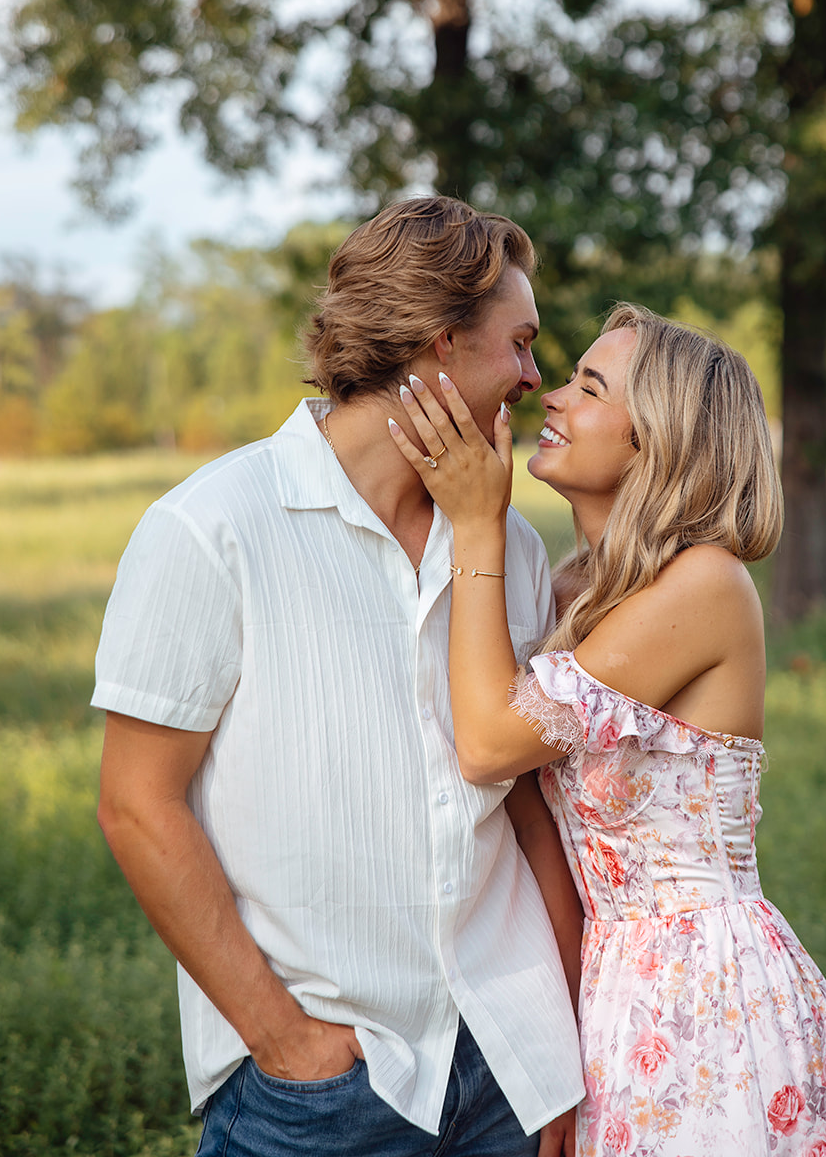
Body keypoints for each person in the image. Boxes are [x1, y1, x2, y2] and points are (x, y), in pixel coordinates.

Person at [92, 197, 584, 1157]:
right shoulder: (212, 528)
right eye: (520, 345)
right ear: (441, 342)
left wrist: (559, 1047)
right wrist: (285, 1041)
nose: (534, 376)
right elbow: (136, 806)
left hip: (504, 1072)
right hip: (320, 1091)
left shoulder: (511, 547)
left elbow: (528, 806)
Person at [389, 303, 826, 1157]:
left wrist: (475, 523)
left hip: (714, 1009)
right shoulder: (574, 592)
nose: (552, 397)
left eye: (589, 386)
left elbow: (488, 746)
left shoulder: (705, 587)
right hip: (612, 996)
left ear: (653, 441)